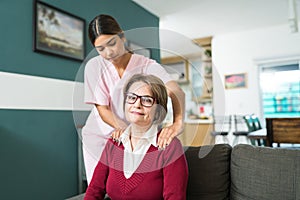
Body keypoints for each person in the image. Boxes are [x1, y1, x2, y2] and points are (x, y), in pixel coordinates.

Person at [82, 14, 185, 183]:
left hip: (134, 139)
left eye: (112, 43)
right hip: (99, 137)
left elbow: (176, 91)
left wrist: (178, 123)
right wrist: (122, 128)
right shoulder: (94, 66)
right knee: (98, 187)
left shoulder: (146, 65)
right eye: (100, 49)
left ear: (122, 36)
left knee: (131, 187)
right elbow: (102, 108)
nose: (108, 53)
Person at [84, 74, 188, 200]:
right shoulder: (114, 143)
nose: (137, 104)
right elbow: (94, 190)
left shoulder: (169, 147)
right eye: (132, 97)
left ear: (159, 109)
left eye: (147, 100)